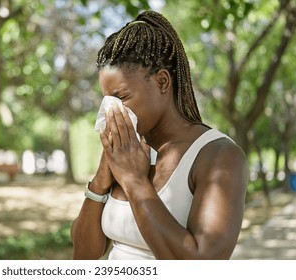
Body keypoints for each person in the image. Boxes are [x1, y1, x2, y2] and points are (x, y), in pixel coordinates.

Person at [71, 10, 248, 260]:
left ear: (162, 82)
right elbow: (83, 257)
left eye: (121, 97)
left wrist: (134, 181)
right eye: (107, 100)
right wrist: (101, 179)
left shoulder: (218, 156)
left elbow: (203, 262)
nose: (110, 111)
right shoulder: (126, 151)